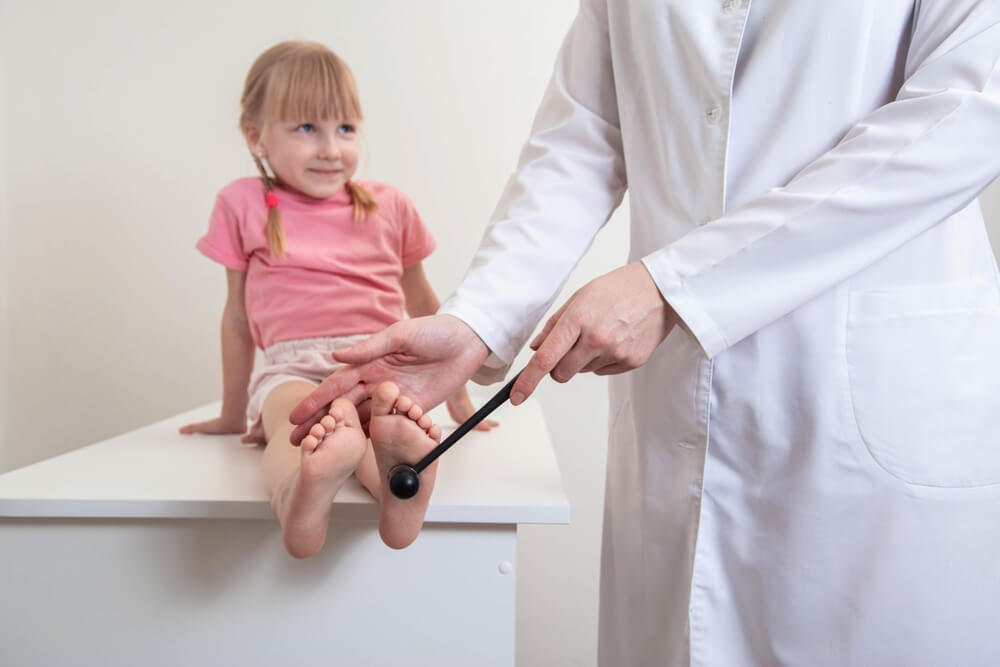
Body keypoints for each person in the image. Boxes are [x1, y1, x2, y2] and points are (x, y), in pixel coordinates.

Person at [290, 2, 1000, 665]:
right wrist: (479, 318)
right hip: (678, 412)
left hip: (864, 407)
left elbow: (969, 111)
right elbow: (587, 128)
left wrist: (678, 285)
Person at [179, 41, 495, 558]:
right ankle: (307, 491)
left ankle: (396, 483)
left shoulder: (390, 205)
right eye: (307, 128)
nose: (331, 149)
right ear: (256, 137)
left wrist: (459, 394)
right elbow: (237, 320)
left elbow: (423, 305)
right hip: (292, 366)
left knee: (380, 417)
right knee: (291, 419)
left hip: (381, 359)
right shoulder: (242, 203)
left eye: (345, 128)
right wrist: (233, 413)